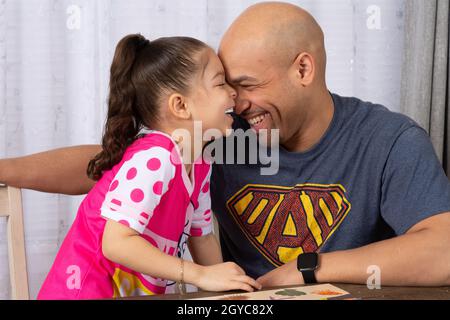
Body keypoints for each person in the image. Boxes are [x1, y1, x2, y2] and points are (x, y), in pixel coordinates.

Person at [2, 2, 450, 290]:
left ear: (304, 69)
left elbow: (442, 251)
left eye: (248, 85)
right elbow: (110, 170)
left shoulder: (386, 141)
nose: (237, 101)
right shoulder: (220, 137)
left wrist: (311, 266)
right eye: (226, 87)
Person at [33, 34, 261, 299]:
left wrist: (229, 291)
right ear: (181, 105)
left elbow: (203, 237)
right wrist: (200, 275)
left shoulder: (200, 162)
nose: (234, 92)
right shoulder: (157, 158)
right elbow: (115, 243)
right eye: (220, 83)